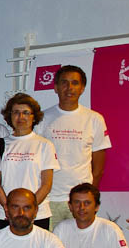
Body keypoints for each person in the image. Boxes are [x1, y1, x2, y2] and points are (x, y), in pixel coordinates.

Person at [37, 66, 112, 229]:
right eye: (64, 83)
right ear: (56, 87)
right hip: (48, 200)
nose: (69, 88)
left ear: (82, 88)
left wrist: (88, 197)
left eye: (75, 83)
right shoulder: (42, 118)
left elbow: (98, 168)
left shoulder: (94, 119)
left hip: (80, 202)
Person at [0, 93, 59, 230]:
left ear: (34, 117)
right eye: (16, 112)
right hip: (6, 214)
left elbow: (46, 184)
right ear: (10, 116)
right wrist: (9, 209)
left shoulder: (45, 145)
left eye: (26, 113)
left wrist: (29, 209)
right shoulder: (0, 144)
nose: (21, 117)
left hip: (37, 215)